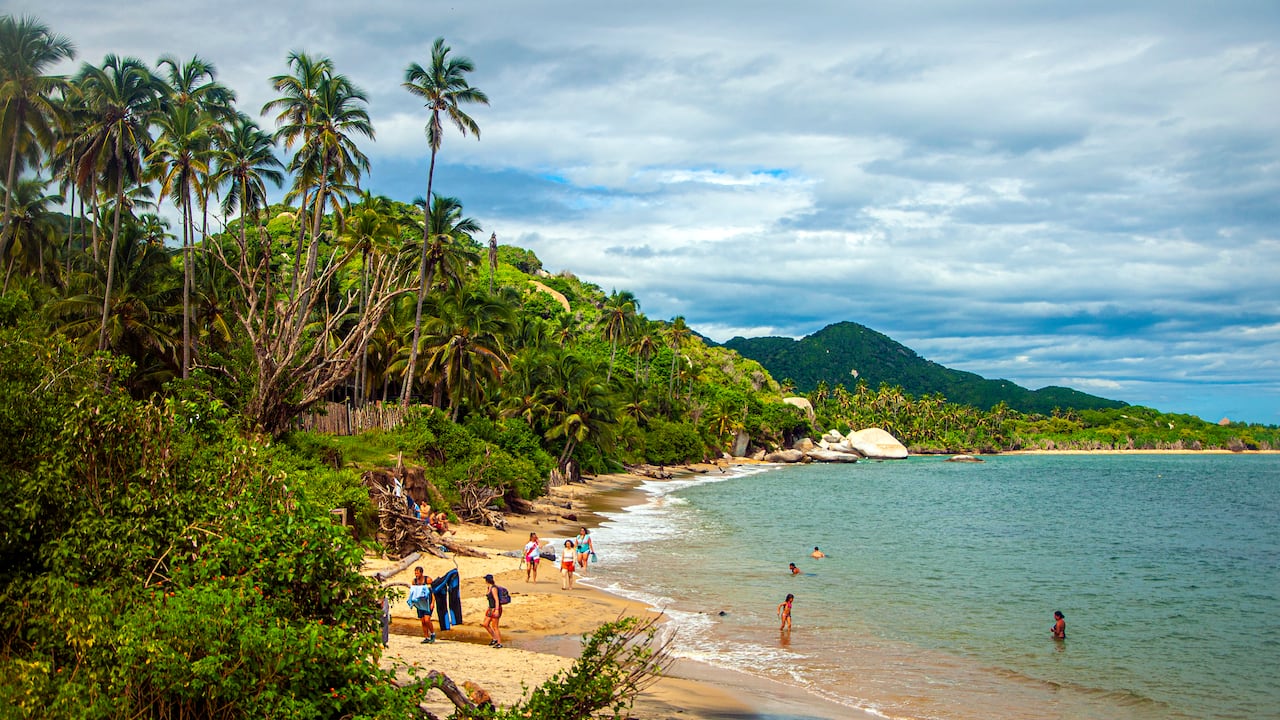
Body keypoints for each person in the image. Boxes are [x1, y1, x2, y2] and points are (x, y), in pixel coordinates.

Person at [411, 566, 436, 643]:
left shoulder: (428, 580)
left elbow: (433, 591)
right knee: (423, 621)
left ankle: (433, 634)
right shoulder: (414, 581)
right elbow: (413, 592)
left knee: (427, 620)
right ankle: (426, 637)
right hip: (420, 603)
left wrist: (433, 602)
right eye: (415, 573)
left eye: (417, 573)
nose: (416, 574)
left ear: (421, 573)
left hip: (428, 602)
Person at [482, 574, 503, 648]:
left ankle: (499, 642)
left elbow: (496, 600)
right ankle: (494, 638)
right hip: (490, 608)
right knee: (485, 624)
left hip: (495, 608)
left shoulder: (494, 588)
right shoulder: (489, 587)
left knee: (495, 626)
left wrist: (496, 610)